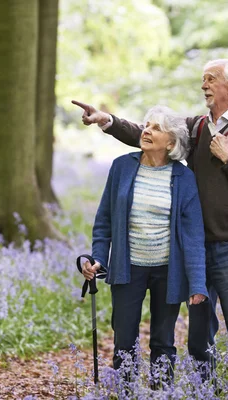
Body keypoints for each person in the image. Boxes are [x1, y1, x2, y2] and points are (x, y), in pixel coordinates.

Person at [73, 59, 228, 394]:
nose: (204, 84)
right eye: (203, 79)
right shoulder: (196, 127)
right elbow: (154, 136)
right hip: (192, 248)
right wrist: (107, 121)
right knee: (198, 337)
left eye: (211, 79)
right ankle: (201, 390)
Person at [79, 105, 207, 385]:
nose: (147, 131)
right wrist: (98, 257)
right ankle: (125, 392)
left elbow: (194, 235)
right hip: (128, 267)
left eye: (156, 128)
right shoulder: (122, 167)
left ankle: (162, 391)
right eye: (147, 125)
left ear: (171, 143)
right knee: (124, 339)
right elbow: (104, 221)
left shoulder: (184, 179)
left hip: (168, 271)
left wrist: (197, 283)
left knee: (163, 341)